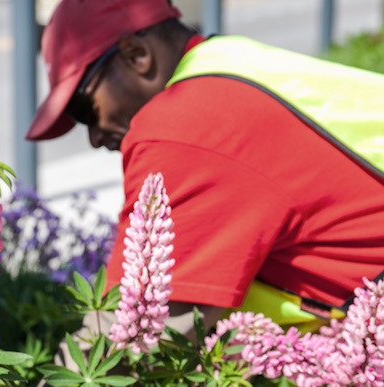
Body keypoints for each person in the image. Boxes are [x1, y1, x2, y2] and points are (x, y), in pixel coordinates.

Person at [26, 0, 384, 337]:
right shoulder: (228, 60)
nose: (93, 136)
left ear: (136, 56)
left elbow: (135, 334)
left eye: (84, 109)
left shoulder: (184, 125)